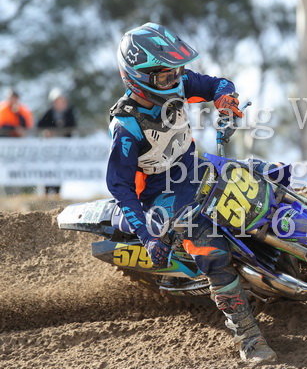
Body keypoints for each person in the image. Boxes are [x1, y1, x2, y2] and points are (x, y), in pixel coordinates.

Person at [107, 22, 276, 363]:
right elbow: (120, 186)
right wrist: (147, 236)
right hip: (162, 195)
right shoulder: (126, 126)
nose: (174, 80)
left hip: (197, 168)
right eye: (165, 76)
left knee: (267, 175)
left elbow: (217, 84)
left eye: (176, 72)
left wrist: (226, 102)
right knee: (211, 250)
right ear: (138, 77)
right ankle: (249, 338)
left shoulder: (178, 83)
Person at [37, 88, 78, 195]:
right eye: (58, 101)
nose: (61, 104)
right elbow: (40, 125)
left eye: (62, 101)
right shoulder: (48, 113)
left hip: (62, 149)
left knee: (59, 171)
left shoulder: (69, 113)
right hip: (50, 149)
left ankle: (57, 193)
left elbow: (73, 127)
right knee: (48, 170)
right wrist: (47, 132)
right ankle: (46, 193)